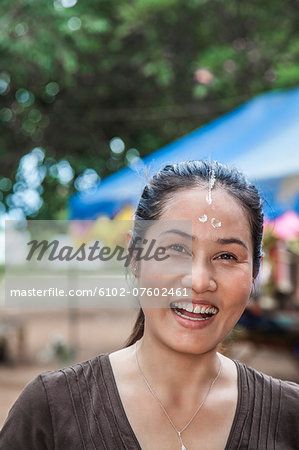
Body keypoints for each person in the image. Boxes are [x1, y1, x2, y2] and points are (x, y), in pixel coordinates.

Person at [0, 160, 298, 449]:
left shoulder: (290, 418)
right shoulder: (50, 411)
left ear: (255, 271)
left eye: (227, 256)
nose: (199, 281)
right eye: (176, 248)